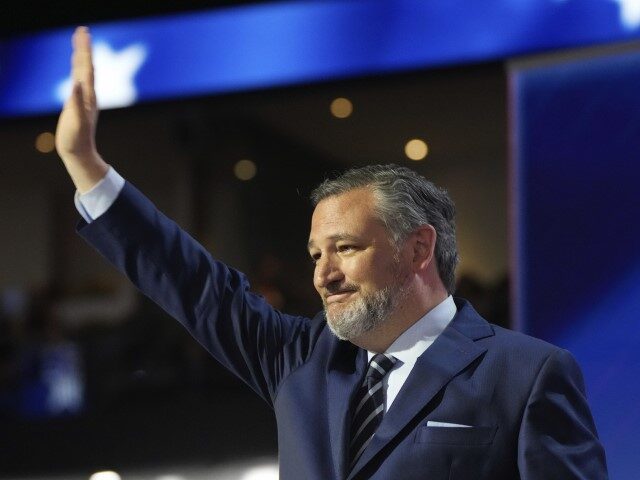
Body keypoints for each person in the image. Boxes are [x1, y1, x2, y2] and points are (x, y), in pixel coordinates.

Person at [55, 27, 608, 479]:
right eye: (316, 254)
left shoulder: (527, 373)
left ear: (418, 248)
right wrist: (87, 168)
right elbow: (196, 284)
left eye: (344, 248)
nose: (324, 274)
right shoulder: (300, 360)